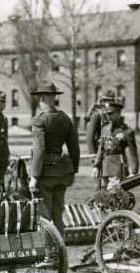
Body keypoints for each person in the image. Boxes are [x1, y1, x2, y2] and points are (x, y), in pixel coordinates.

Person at [28, 82, 80, 235]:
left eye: (39, 97)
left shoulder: (40, 120)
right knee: (58, 214)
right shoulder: (65, 119)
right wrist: (74, 170)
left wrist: (34, 176)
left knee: (44, 217)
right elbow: (74, 148)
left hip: (45, 173)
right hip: (62, 173)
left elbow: (39, 150)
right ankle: (60, 247)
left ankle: (48, 249)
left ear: (42, 98)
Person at [93, 97, 138, 189]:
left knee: (114, 192)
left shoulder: (127, 131)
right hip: (105, 165)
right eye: (107, 114)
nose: (108, 116)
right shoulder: (105, 129)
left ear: (118, 113)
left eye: (111, 114)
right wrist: (96, 165)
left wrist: (133, 170)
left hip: (118, 166)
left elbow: (132, 152)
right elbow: (101, 149)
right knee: (103, 192)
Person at [86, 90, 116, 155]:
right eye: (106, 100)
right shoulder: (97, 115)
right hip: (99, 151)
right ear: (102, 101)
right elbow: (90, 137)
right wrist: (93, 154)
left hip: (111, 151)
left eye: (111, 101)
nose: (109, 103)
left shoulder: (112, 115)